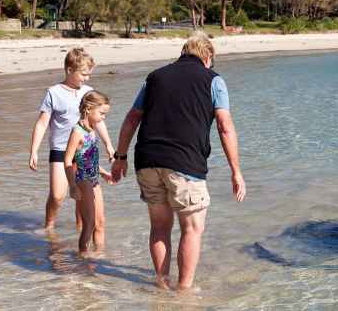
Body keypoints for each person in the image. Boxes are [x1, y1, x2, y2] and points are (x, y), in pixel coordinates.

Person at [111, 31, 246, 291]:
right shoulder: (213, 80)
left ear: (183, 53)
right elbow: (225, 126)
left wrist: (121, 157)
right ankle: (183, 293)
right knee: (192, 229)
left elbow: (131, 118)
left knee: (159, 227)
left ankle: (161, 286)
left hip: (147, 159)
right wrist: (236, 171)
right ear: (208, 58)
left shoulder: (155, 77)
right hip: (185, 163)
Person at [29, 48, 114, 231]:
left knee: (82, 195)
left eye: (89, 74)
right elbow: (42, 124)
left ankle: (79, 230)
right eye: (83, 74)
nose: (87, 78)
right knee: (58, 195)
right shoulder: (54, 92)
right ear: (69, 70)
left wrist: (108, 145)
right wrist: (34, 151)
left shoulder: (88, 92)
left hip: (83, 151)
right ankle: (49, 225)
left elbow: (97, 121)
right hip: (60, 150)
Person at [64, 90, 114, 254]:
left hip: (94, 179)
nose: (103, 117)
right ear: (88, 108)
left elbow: (88, 158)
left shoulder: (92, 130)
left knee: (100, 222)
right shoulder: (77, 132)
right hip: (82, 180)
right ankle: (83, 255)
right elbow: (68, 160)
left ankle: (99, 255)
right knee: (90, 223)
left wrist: (103, 172)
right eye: (101, 113)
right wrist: (72, 186)